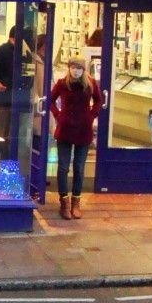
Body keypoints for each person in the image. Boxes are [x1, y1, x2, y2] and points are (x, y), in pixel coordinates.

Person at [49, 56, 103, 220]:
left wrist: (91, 115)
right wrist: (59, 115)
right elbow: (50, 100)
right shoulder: (62, 83)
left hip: (83, 129)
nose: (76, 71)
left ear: (84, 69)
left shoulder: (90, 84)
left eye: (79, 68)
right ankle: (64, 202)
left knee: (79, 167)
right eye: (73, 67)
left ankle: (76, 202)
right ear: (69, 68)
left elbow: (99, 101)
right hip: (65, 129)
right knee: (63, 167)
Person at [0, 26, 32, 172]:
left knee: (11, 136)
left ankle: (7, 165)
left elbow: (29, 76)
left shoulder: (25, 54)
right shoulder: (0, 52)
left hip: (16, 101)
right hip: (1, 101)